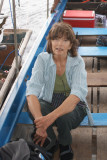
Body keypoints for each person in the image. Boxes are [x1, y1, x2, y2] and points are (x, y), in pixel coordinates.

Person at [26, 22, 88, 160]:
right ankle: (51, 140)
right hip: (49, 99)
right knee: (34, 107)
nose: (59, 44)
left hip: (75, 104)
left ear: (71, 45)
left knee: (64, 117)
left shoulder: (78, 62)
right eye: (56, 39)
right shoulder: (42, 59)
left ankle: (65, 143)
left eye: (65, 40)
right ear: (50, 41)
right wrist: (40, 124)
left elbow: (76, 94)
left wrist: (48, 119)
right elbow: (32, 92)